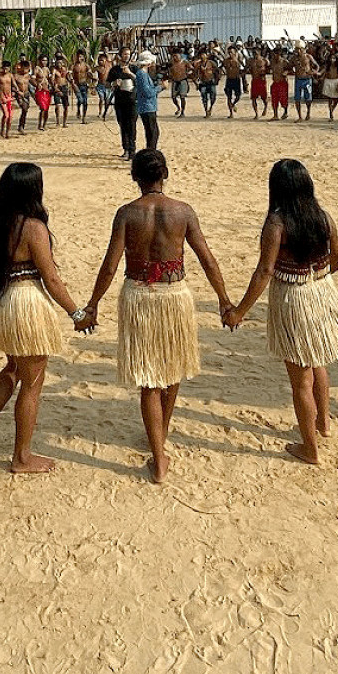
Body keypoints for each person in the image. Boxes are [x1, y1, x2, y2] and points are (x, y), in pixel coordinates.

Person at [83, 150, 235, 483]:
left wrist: (93, 303)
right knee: (174, 368)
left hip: (138, 295)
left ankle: (158, 452)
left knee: (149, 379)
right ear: (164, 174)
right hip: (175, 295)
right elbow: (208, 259)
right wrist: (224, 301)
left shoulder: (126, 214)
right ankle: (160, 438)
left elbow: (110, 265)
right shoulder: (183, 212)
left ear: (135, 176)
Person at [0, 163, 86, 475]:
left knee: (12, 368)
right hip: (26, 305)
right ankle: (21, 457)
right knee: (32, 383)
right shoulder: (33, 227)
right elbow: (51, 279)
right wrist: (75, 313)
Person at [225, 159, 338, 464]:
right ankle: (323, 423)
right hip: (321, 292)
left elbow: (264, 271)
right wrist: (317, 272)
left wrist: (239, 311)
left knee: (301, 379)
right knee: (318, 362)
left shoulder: (277, 223)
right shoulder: (324, 218)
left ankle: (309, 448)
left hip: (292, 296)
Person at [132, 52, 161, 153]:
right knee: (152, 133)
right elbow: (148, 92)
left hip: (148, 106)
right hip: (147, 107)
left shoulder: (143, 74)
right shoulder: (142, 74)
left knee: (152, 132)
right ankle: (150, 153)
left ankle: (150, 152)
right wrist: (160, 87)